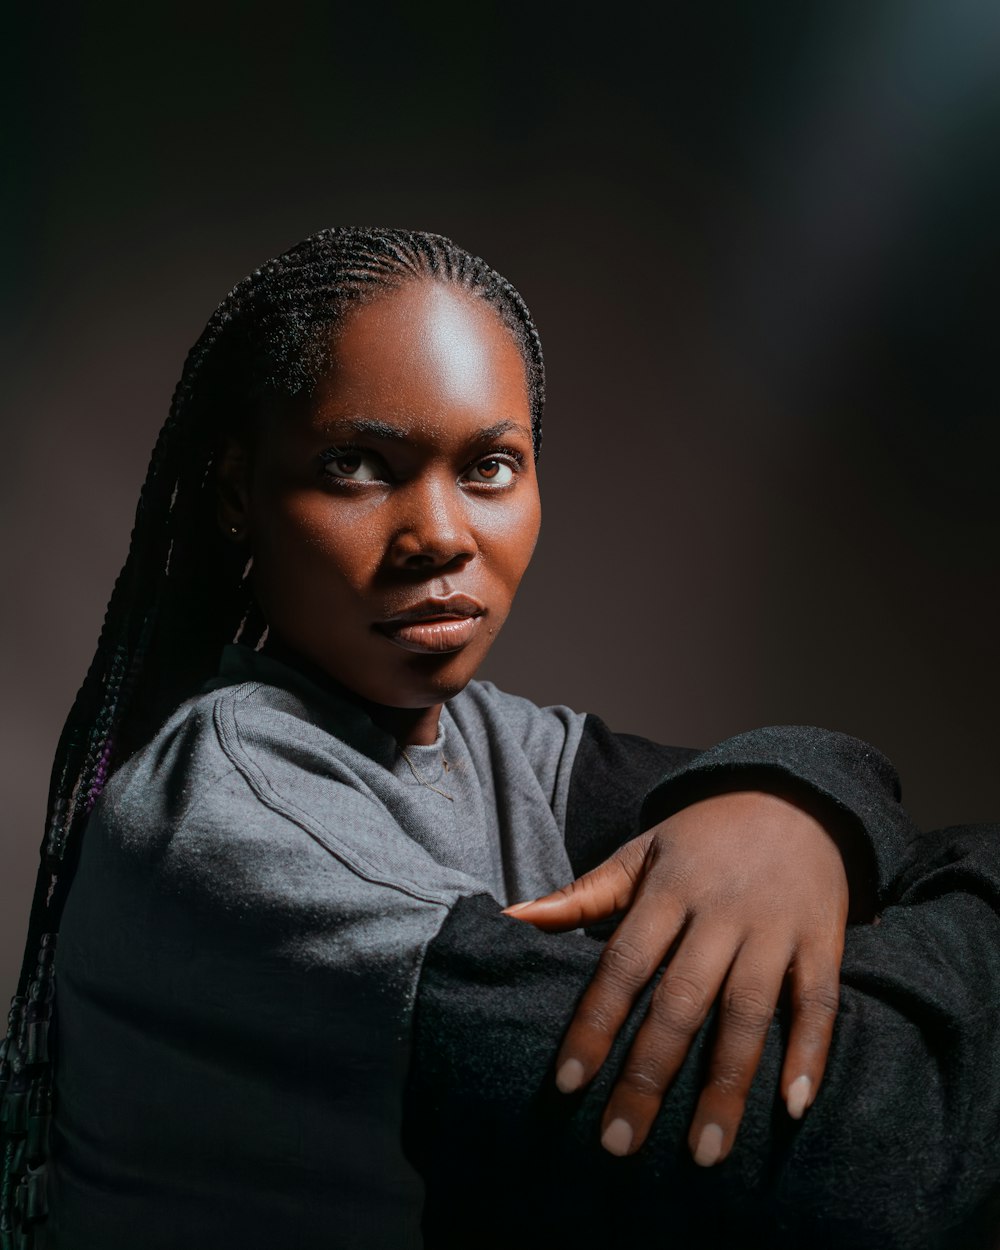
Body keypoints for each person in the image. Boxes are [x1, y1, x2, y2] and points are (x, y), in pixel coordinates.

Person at [0, 227, 996, 1249]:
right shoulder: (230, 820)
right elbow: (874, 1155)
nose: (439, 531)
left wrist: (794, 801)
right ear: (234, 494)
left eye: (488, 465)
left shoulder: (498, 742)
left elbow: (919, 852)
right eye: (355, 465)